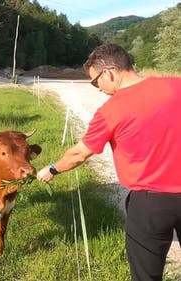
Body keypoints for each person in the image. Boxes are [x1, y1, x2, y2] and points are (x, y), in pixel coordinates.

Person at [36, 43, 181, 281]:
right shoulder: (177, 85)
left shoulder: (111, 110)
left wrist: (51, 169)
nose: (97, 89)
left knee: (147, 276)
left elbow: (79, 154)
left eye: (95, 82)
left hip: (149, 206)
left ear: (109, 73)